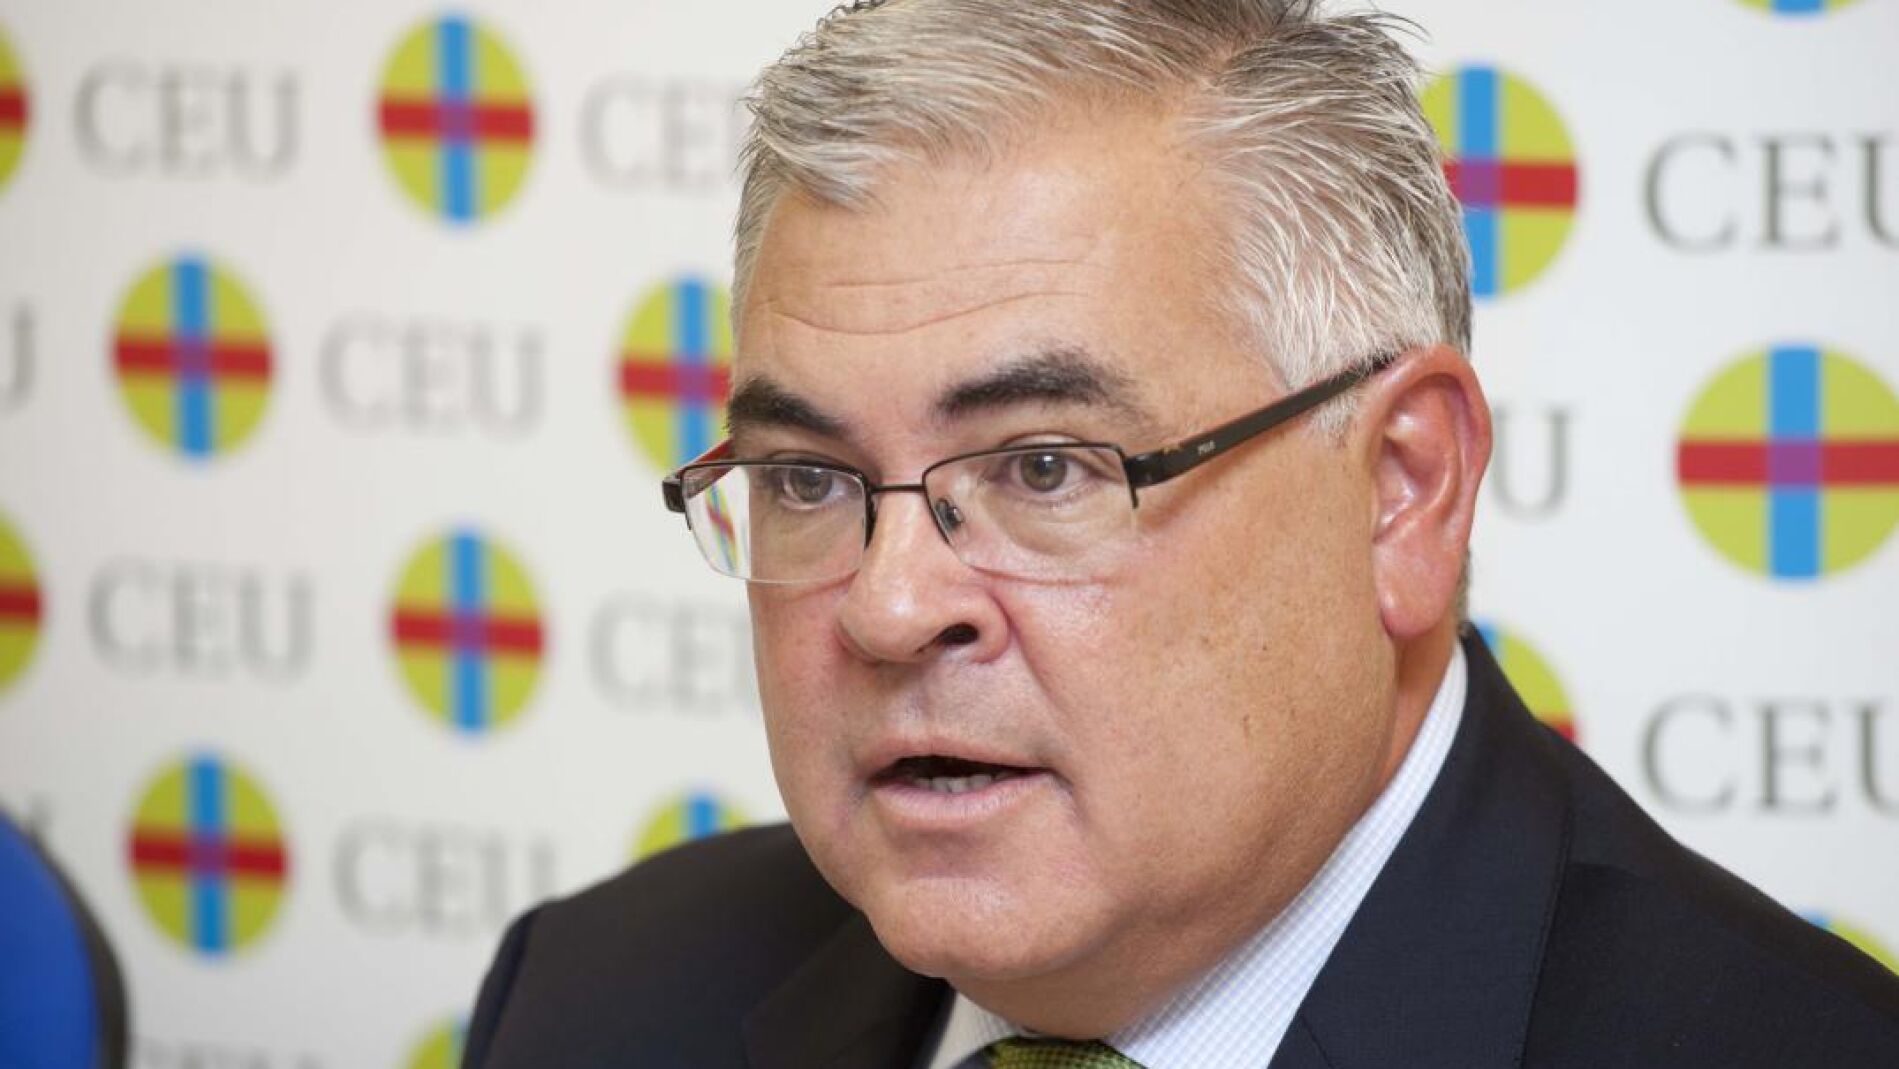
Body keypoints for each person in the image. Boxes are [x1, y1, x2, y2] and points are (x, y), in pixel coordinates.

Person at [462, 2, 1899, 1066]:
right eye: (808, 478)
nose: (890, 607)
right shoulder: (596, 999)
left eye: (1043, 468)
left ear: (1401, 490)